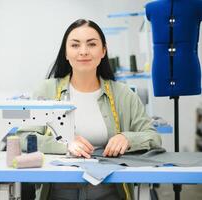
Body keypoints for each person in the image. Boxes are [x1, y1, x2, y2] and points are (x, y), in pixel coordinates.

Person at [17, 19, 162, 200]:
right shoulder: (45, 91)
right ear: (66, 53)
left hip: (110, 191)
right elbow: (23, 138)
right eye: (75, 45)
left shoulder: (123, 94)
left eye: (92, 44)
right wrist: (65, 144)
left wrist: (127, 138)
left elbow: (154, 137)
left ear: (103, 51)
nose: (84, 51)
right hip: (58, 191)